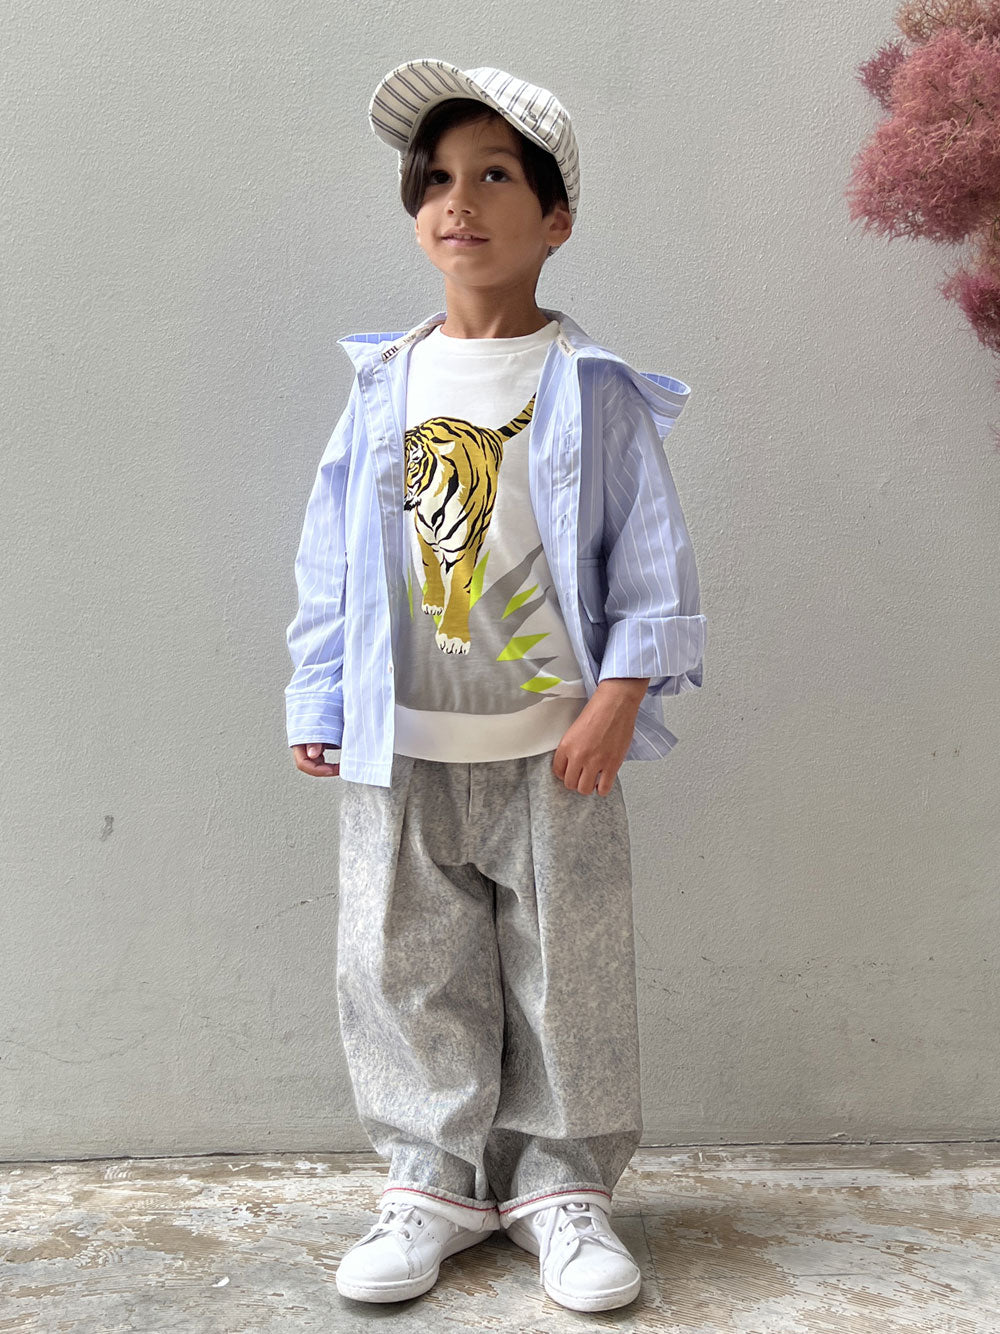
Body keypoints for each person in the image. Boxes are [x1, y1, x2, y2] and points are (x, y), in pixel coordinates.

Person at [283, 59, 707, 1314]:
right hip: (403, 741)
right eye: (434, 181)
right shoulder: (382, 382)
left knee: (567, 966)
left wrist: (619, 695)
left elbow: (649, 553)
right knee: (401, 964)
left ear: (556, 217)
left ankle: (561, 1188)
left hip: (551, 745)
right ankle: (432, 1182)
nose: (455, 202)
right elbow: (331, 554)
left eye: (492, 176)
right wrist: (320, 694)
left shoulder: (591, 387)